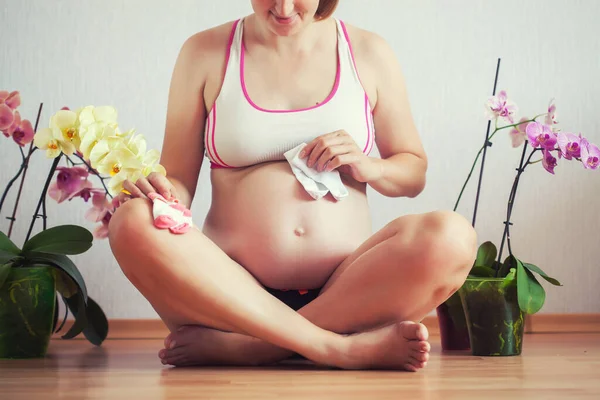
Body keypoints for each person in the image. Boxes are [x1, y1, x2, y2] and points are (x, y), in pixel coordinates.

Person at [107, 0, 477, 371]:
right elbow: (179, 181)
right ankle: (337, 348)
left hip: (350, 292)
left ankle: (253, 348)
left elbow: (413, 173)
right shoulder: (203, 52)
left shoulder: (368, 52)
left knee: (453, 237)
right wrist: (158, 191)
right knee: (131, 221)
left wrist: (369, 167)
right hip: (229, 295)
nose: (283, 8)